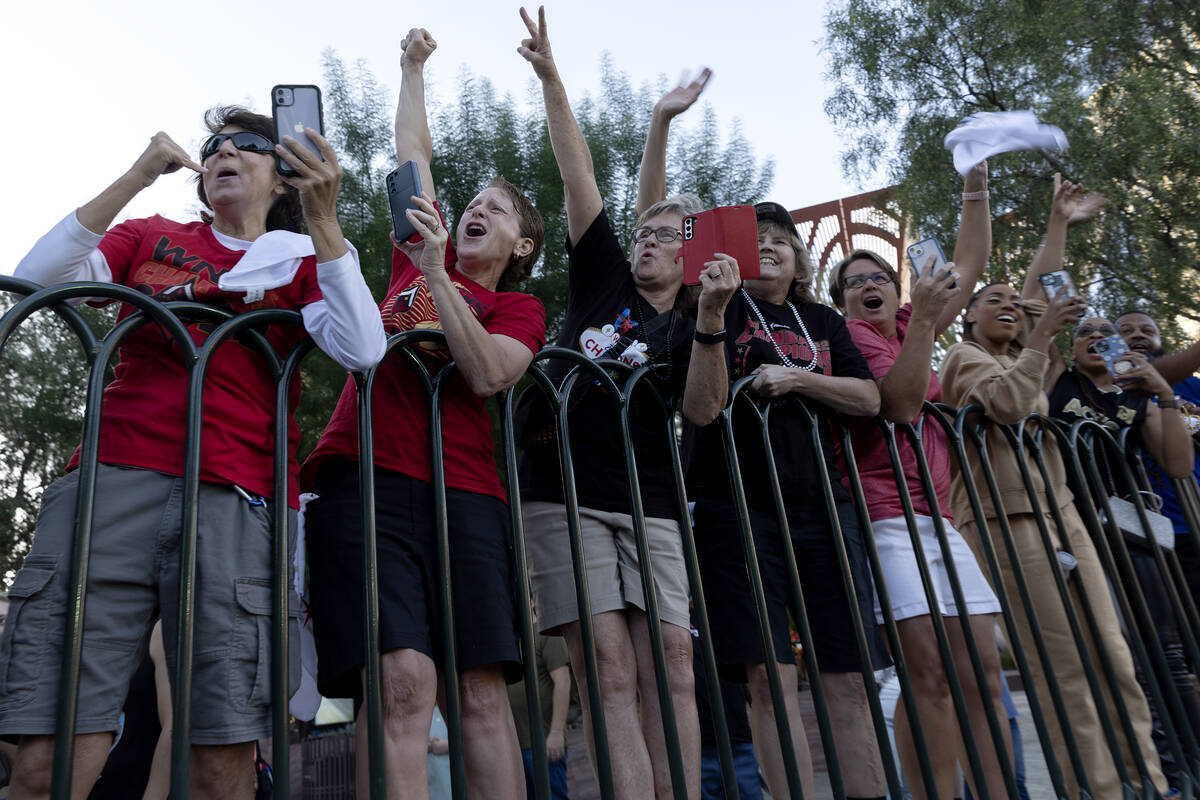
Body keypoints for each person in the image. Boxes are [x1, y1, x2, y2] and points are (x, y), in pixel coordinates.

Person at [0, 104, 384, 799]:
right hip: (110, 483)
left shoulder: (303, 258)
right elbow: (34, 279)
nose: (222, 154)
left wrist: (326, 223)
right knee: (44, 761)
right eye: (212, 148)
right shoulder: (151, 234)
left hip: (236, 498)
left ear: (284, 178)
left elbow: (362, 347)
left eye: (246, 146)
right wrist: (140, 172)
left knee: (220, 761)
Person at [300, 27, 546, 800]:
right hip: (365, 481)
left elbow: (486, 374)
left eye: (497, 209)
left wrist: (440, 276)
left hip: (467, 493)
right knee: (401, 682)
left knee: (478, 690)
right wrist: (411, 70)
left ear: (523, 243)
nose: (476, 209)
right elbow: (414, 155)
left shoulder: (517, 306)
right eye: (471, 202)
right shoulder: (414, 252)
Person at [515, 8, 715, 798]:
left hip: (653, 500)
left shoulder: (694, 318)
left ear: (692, 254)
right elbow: (579, 175)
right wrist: (552, 78)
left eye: (668, 233)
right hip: (563, 491)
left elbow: (701, 408)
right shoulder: (605, 278)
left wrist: (707, 327)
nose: (649, 237)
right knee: (607, 667)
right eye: (647, 228)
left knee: (670, 664)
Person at [940, 176, 1167, 798]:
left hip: (1062, 515)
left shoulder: (1026, 347)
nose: (1010, 303)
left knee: (1114, 656)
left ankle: (1146, 779)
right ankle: (1097, 788)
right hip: (1006, 526)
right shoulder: (963, 360)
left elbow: (1045, 287)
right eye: (993, 298)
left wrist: (1059, 223)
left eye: (1015, 299)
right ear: (968, 316)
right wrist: (1039, 341)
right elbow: (1010, 407)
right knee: (1063, 667)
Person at [682, 200, 888, 800]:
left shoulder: (823, 320)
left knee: (846, 678)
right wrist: (714, 306)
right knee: (769, 680)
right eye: (756, 239)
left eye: (782, 240)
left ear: (799, 260)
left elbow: (869, 398)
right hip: (734, 507)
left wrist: (797, 379)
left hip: (824, 506)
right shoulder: (713, 308)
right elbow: (702, 407)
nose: (768, 246)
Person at [831, 161, 1012, 800]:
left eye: (879, 276)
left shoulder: (914, 324)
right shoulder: (846, 340)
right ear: (842, 300)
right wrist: (927, 323)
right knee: (927, 674)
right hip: (884, 515)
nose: (869, 286)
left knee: (984, 674)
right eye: (854, 282)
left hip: (940, 515)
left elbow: (970, 255)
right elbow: (902, 402)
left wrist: (974, 185)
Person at [1117, 310, 1200, 609]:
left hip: (1192, 518)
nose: (1138, 334)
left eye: (1147, 330)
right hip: (1142, 528)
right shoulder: (1110, 384)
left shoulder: (1191, 386)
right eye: (1126, 330)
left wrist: (1188, 419)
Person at [506, 634, 572, 800]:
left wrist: (556, 733)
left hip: (544, 742)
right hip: (514, 746)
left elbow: (563, 681)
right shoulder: (508, 636)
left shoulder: (546, 634)